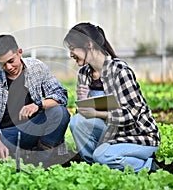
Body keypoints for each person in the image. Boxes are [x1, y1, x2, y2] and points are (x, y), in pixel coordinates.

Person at [63, 22, 160, 173]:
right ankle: (96, 167)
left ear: (89, 45)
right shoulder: (84, 74)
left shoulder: (120, 71)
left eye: (72, 49)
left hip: (139, 136)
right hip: (111, 133)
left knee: (104, 156)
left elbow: (131, 116)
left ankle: (147, 167)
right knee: (77, 122)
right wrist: (83, 102)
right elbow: (84, 120)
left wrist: (96, 112)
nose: (70, 54)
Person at [0, 34, 70, 168]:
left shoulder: (37, 68)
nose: (9, 67)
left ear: (19, 52)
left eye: (11, 61)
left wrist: (38, 105)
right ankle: (23, 155)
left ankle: (41, 161)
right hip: (8, 134)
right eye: (3, 64)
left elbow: (60, 95)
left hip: (35, 126)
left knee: (59, 112)